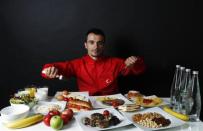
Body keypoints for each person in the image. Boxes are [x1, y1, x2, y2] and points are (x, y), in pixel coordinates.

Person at [41, 28, 145, 96]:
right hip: (86, 105)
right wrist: (49, 69)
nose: (95, 47)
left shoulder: (115, 62)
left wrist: (134, 62)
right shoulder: (77, 64)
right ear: (85, 45)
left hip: (113, 105)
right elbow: (50, 69)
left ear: (104, 45)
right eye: (91, 42)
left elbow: (139, 70)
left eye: (99, 43)